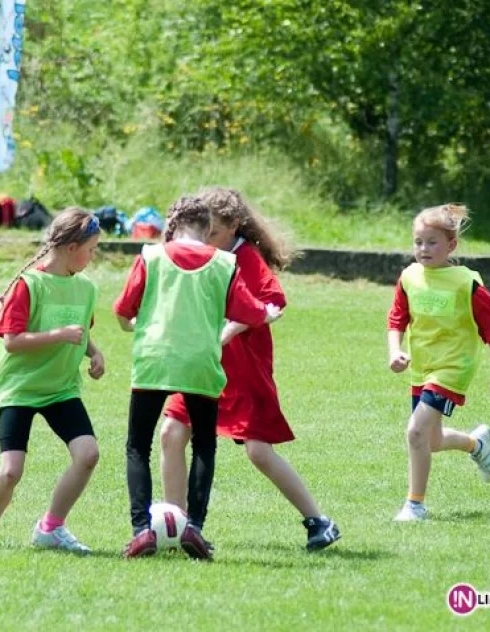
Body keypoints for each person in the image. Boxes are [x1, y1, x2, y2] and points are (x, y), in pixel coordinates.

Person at [159, 188, 340, 551]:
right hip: (201, 367)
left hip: (244, 372)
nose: (204, 241)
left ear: (234, 227)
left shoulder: (247, 256)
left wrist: (224, 334)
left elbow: (272, 302)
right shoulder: (199, 255)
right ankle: (177, 527)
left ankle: (319, 521)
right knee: (171, 432)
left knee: (259, 451)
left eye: (212, 234)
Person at [113, 196, 281, 560]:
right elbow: (251, 313)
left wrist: (134, 325)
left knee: (137, 446)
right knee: (205, 443)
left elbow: (123, 311)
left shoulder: (150, 256)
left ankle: (142, 530)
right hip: (201, 363)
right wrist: (268, 312)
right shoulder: (224, 262)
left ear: (171, 226)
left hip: (154, 361)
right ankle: (194, 528)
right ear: (207, 229)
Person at [0, 209, 104, 554]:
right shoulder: (29, 284)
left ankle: (51, 528)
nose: (93, 256)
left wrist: (95, 353)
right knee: (11, 471)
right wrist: (58, 335)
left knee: (88, 454)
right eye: (91, 248)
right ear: (72, 247)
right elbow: (11, 340)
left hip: (61, 388)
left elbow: (80, 331)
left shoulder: (85, 288)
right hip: (21, 388)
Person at [387, 203, 490, 521]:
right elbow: (396, 319)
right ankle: (476, 444)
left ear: (451, 245)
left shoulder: (465, 283)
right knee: (432, 440)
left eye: (432, 242)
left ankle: (415, 505)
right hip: (422, 366)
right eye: (418, 242)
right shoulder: (409, 277)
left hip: (454, 367)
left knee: (415, 432)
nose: (423, 249)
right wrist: (394, 351)